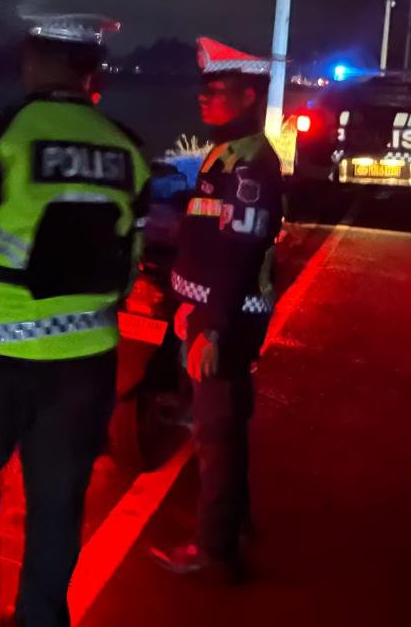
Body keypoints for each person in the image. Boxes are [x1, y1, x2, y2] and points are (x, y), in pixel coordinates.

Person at [0, 15, 150, 627]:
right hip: (87, 367)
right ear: (89, 69)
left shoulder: (2, 133)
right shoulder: (126, 148)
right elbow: (130, 263)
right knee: (58, 505)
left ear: (37, 62)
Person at [149, 38, 283, 580]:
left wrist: (212, 328)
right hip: (211, 312)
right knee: (228, 424)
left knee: (215, 433)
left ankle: (214, 548)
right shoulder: (227, 152)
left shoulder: (250, 165)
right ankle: (235, 521)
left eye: (218, 89)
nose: (205, 98)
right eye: (203, 89)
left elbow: (239, 253)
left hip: (226, 318)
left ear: (249, 96)